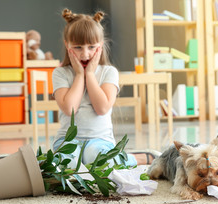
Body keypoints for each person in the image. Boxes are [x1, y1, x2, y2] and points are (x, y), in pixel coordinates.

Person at [52, 8, 159, 168]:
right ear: (67, 45)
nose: (85, 54)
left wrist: (89, 74)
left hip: (99, 140)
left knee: (101, 161)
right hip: (67, 140)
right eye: (78, 47)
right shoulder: (60, 73)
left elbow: (102, 108)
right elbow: (70, 109)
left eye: (91, 47)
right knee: (67, 166)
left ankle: (138, 158)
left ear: (100, 46)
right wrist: (80, 76)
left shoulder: (109, 72)